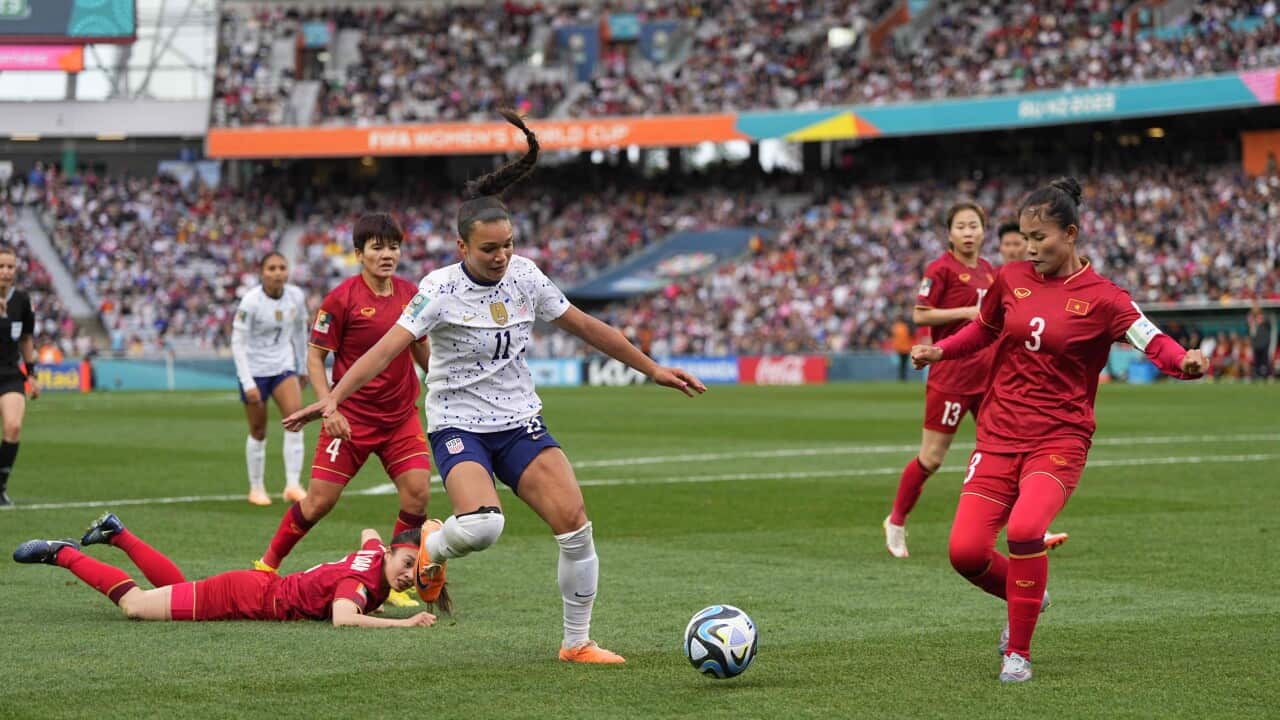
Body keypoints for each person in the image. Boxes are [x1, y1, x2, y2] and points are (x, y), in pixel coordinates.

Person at [284, 109, 707, 664]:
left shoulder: (527, 276)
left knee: (575, 526)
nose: (502, 255)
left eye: (507, 244)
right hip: (459, 423)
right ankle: (433, 544)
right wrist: (334, 396)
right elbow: (386, 348)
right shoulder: (438, 290)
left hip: (519, 420)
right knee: (484, 527)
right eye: (490, 249)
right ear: (463, 248)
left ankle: (576, 643)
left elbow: (586, 326)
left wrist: (650, 368)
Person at [911, 177, 1208, 683]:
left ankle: (1018, 653)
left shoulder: (1104, 297)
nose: (1030, 248)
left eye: (1040, 238)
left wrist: (1186, 361)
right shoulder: (1010, 278)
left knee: (1026, 530)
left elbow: (1149, 337)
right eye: (1025, 238)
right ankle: (1028, 590)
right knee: (965, 553)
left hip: (1059, 439)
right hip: (1000, 435)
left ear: (1070, 234)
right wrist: (941, 350)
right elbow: (983, 329)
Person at [255, 213, 432, 611]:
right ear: (358, 254)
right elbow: (316, 357)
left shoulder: (411, 293)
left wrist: (437, 372)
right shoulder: (341, 299)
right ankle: (266, 566)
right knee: (318, 502)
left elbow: (420, 346)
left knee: (418, 494)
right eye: (377, 247)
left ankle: (395, 581)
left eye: (393, 247)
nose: (387, 255)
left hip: (401, 415)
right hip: (351, 418)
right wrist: (328, 404)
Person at [12, 512, 436, 628]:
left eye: (411, 572)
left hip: (256, 587)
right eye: (404, 564)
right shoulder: (361, 582)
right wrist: (405, 621)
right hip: (244, 597)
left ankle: (118, 533)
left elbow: (367, 533)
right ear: (393, 551)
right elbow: (344, 618)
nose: (405, 576)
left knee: (177, 589)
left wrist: (377, 590)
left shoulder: (376, 552)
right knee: (138, 607)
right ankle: (62, 554)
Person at [883, 202, 997, 557]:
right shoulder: (941, 270)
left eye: (973, 226)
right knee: (931, 458)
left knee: (1004, 452)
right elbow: (920, 314)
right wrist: (966, 312)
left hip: (989, 376)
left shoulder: (990, 272)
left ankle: (1023, 528)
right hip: (951, 375)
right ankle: (897, 520)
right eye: (960, 226)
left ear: (983, 230)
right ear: (950, 234)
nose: (967, 232)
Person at [231, 252, 310, 506]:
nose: (277, 272)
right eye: (271, 268)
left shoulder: (295, 296)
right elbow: (237, 343)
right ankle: (256, 488)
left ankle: (293, 485)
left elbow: (299, 331)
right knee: (258, 430)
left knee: (295, 420)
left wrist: (302, 365)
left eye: (282, 267)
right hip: (254, 370)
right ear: (262, 272)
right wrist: (247, 382)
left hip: (283, 366)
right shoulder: (250, 302)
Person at [0, 246, 39, 507]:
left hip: (11, 373)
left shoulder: (22, 300)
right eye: (1, 267)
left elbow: (26, 338)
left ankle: (0, 487)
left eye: (10, 267)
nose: (5, 272)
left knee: (13, 426)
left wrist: (32, 373)